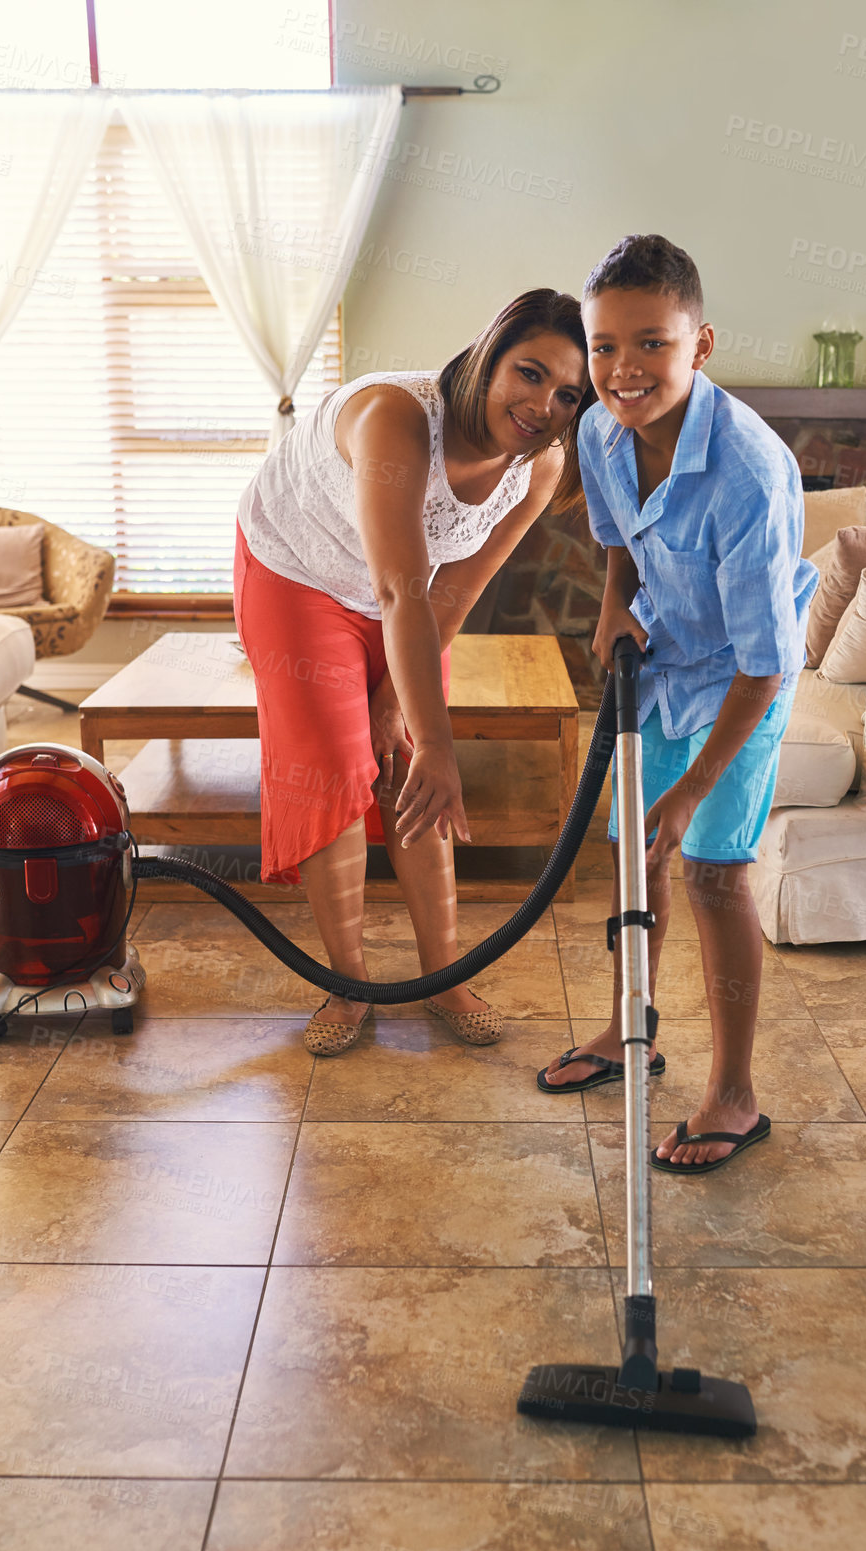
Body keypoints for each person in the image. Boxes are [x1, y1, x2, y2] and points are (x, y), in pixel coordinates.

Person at [234, 290, 593, 1055]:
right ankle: (349, 982)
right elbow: (400, 587)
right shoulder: (394, 418)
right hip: (298, 573)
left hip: (404, 592)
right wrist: (439, 741)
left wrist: (405, 713)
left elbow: (454, 589)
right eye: (527, 374)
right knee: (336, 764)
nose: (541, 405)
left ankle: (442, 977)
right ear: (487, 355)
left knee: (404, 761)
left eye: (567, 394)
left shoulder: (537, 465)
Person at [536, 235, 818, 1172]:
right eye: (606, 345)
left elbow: (766, 662)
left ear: (700, 345)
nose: (624, 370)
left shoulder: (748, 471)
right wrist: (615, 603)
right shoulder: (597, 428)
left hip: (743, 677)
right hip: (663, 660)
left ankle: (734, 1094)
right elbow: (619, 538)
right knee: (634, 856)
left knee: (708, 872)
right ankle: (632, 1033)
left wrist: (695, 786)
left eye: (651, 344)